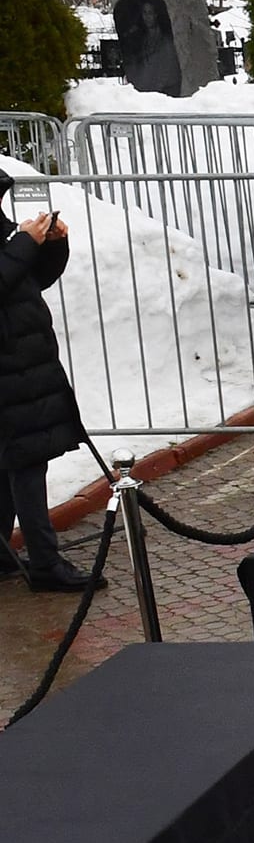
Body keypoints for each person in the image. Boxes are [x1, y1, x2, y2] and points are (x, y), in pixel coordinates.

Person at [0, 191, 105, 592]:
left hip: (22, 369)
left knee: (10, 464)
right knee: (26, 466)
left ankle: (2, 557)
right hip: (11, 376)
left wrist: (52, 247)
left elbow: (26, 280)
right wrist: (25, 242)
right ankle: (45, 565)